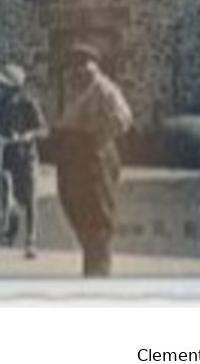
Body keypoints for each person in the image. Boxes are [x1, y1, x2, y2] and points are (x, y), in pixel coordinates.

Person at [54, 44, 133, 277]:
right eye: (73, 68)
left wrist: (96, 139)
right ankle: (93, 268)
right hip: (74, 159)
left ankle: (98, 275)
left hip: (93, 160)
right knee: (79, 215)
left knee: (97, 220)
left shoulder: (103, 89)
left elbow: (123, 118)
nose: (77, 73)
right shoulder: (80, 91)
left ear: (94, 67)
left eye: (83, 67)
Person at [0, 63, 48, 260]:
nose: (1, 89)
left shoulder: (28, 102)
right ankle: (9, 229)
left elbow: (43, 129)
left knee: (29, 198)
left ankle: (31, 240)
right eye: (0, 85)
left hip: (25, 155)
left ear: (15, 86)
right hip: (5, 154)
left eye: (5, 85)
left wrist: (27, 135)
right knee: (5, 195)